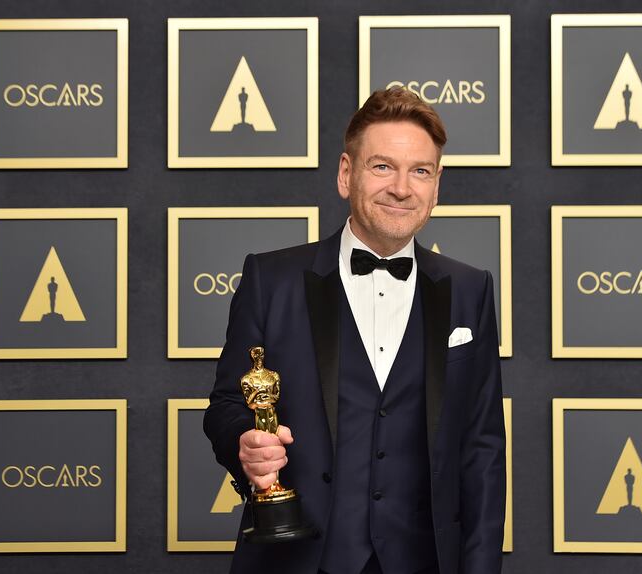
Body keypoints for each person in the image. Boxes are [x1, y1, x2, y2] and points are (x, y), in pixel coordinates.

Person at [204, 87, 506, 574]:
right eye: (383, 166)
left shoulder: (471, 290)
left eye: (420, 171)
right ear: (347, 174)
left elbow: (483, 449)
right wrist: (245, 444)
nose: (402, 188)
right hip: (297, 558)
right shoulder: (270, 279)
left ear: (437, 184)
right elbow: (227, 406)